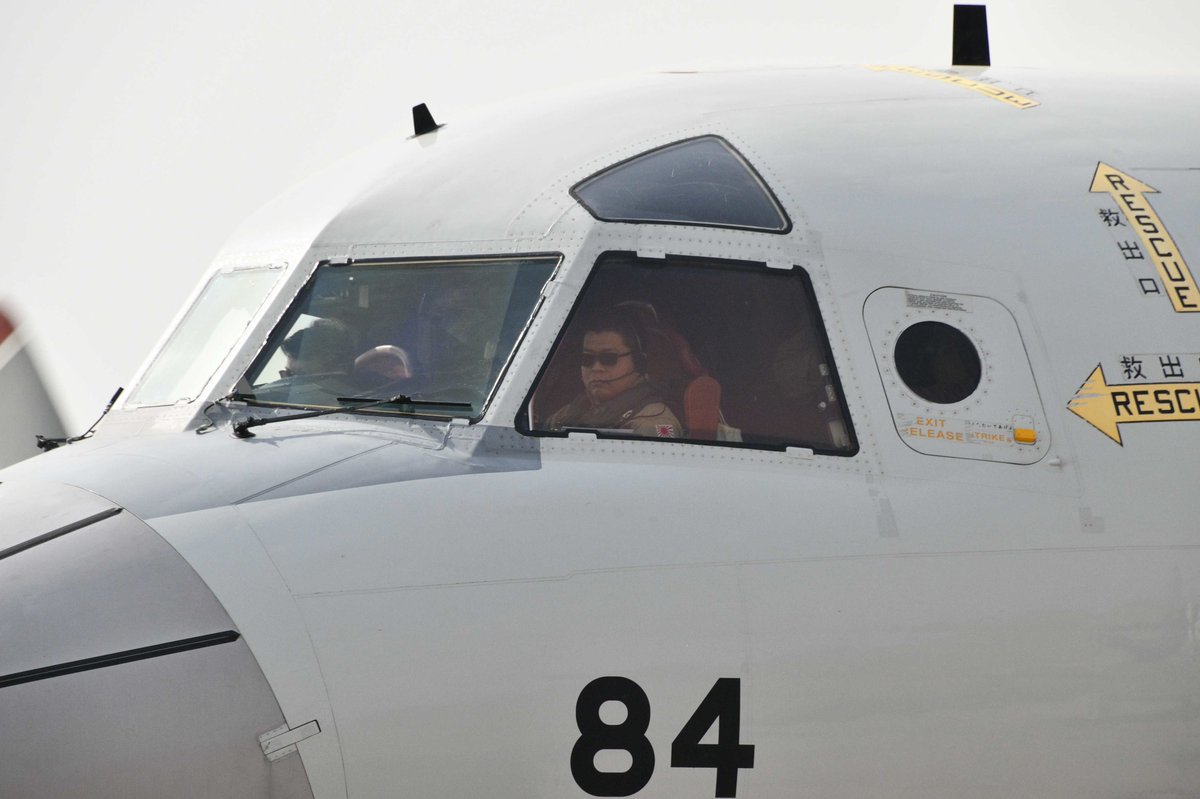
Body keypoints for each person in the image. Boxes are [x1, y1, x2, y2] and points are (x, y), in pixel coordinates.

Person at [545, 313, 682, 438]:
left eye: (609, 358)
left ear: (638, 362)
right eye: (587, 359)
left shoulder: (651, 422)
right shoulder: (567, 414)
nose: (596, 368)